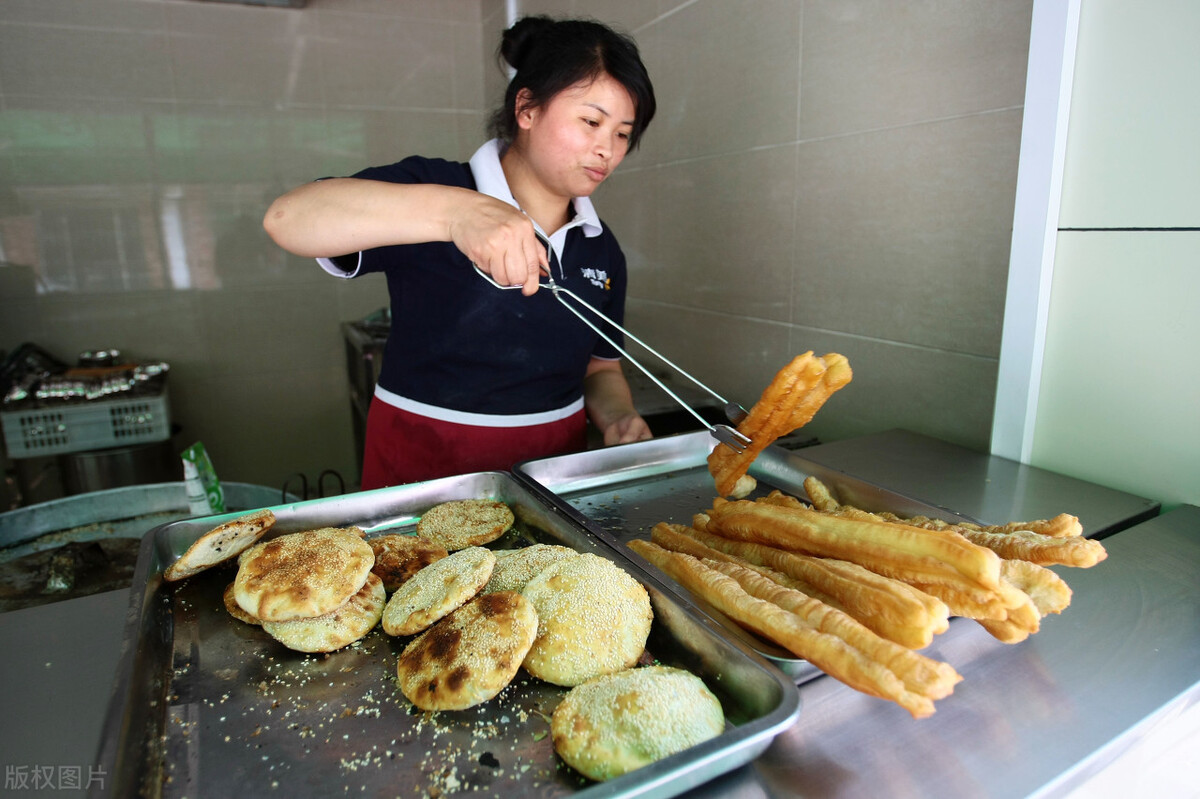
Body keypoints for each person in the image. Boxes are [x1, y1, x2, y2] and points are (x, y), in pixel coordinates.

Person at [263, 16, 656, 489]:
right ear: (527, 108)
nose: (606, 150)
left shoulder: (601, 245)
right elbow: (288, 219)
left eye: (621, 134)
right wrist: (456, 213)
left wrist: (617, 417)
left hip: (552, 473)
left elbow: (600, 366)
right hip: (423, 463)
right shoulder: (438, 188)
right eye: (591, 121)